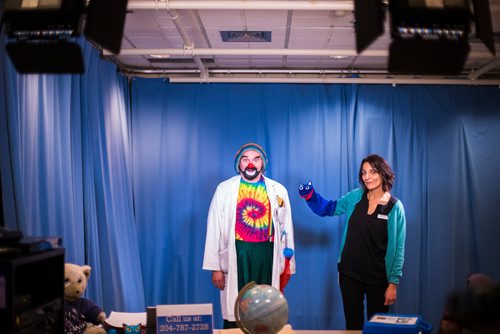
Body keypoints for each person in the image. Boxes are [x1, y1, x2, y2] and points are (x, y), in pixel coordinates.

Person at [299, 154, 406, 330]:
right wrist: (311, 196)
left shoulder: (395, 207)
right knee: (353, 325)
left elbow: (398, 249)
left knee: (378, 328)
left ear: (383, 173)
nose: (367, 177)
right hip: (349, 274)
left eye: (373, 171)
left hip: (378, 278)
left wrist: (393, 283)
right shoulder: (356, 196)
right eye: (364, 173)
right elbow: (329, 208)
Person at [203, 142, 295, 329]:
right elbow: (214, 228)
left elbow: (287, 228)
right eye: (245, 159)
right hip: (238, 253)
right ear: (239, 164)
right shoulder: (224, 189)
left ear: (263, 164)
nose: (250, 163)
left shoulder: (278, 190)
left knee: (265, 309)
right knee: (237, 308)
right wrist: (215, 267)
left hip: (267, 254)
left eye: (256, 158)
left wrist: (288, 265)